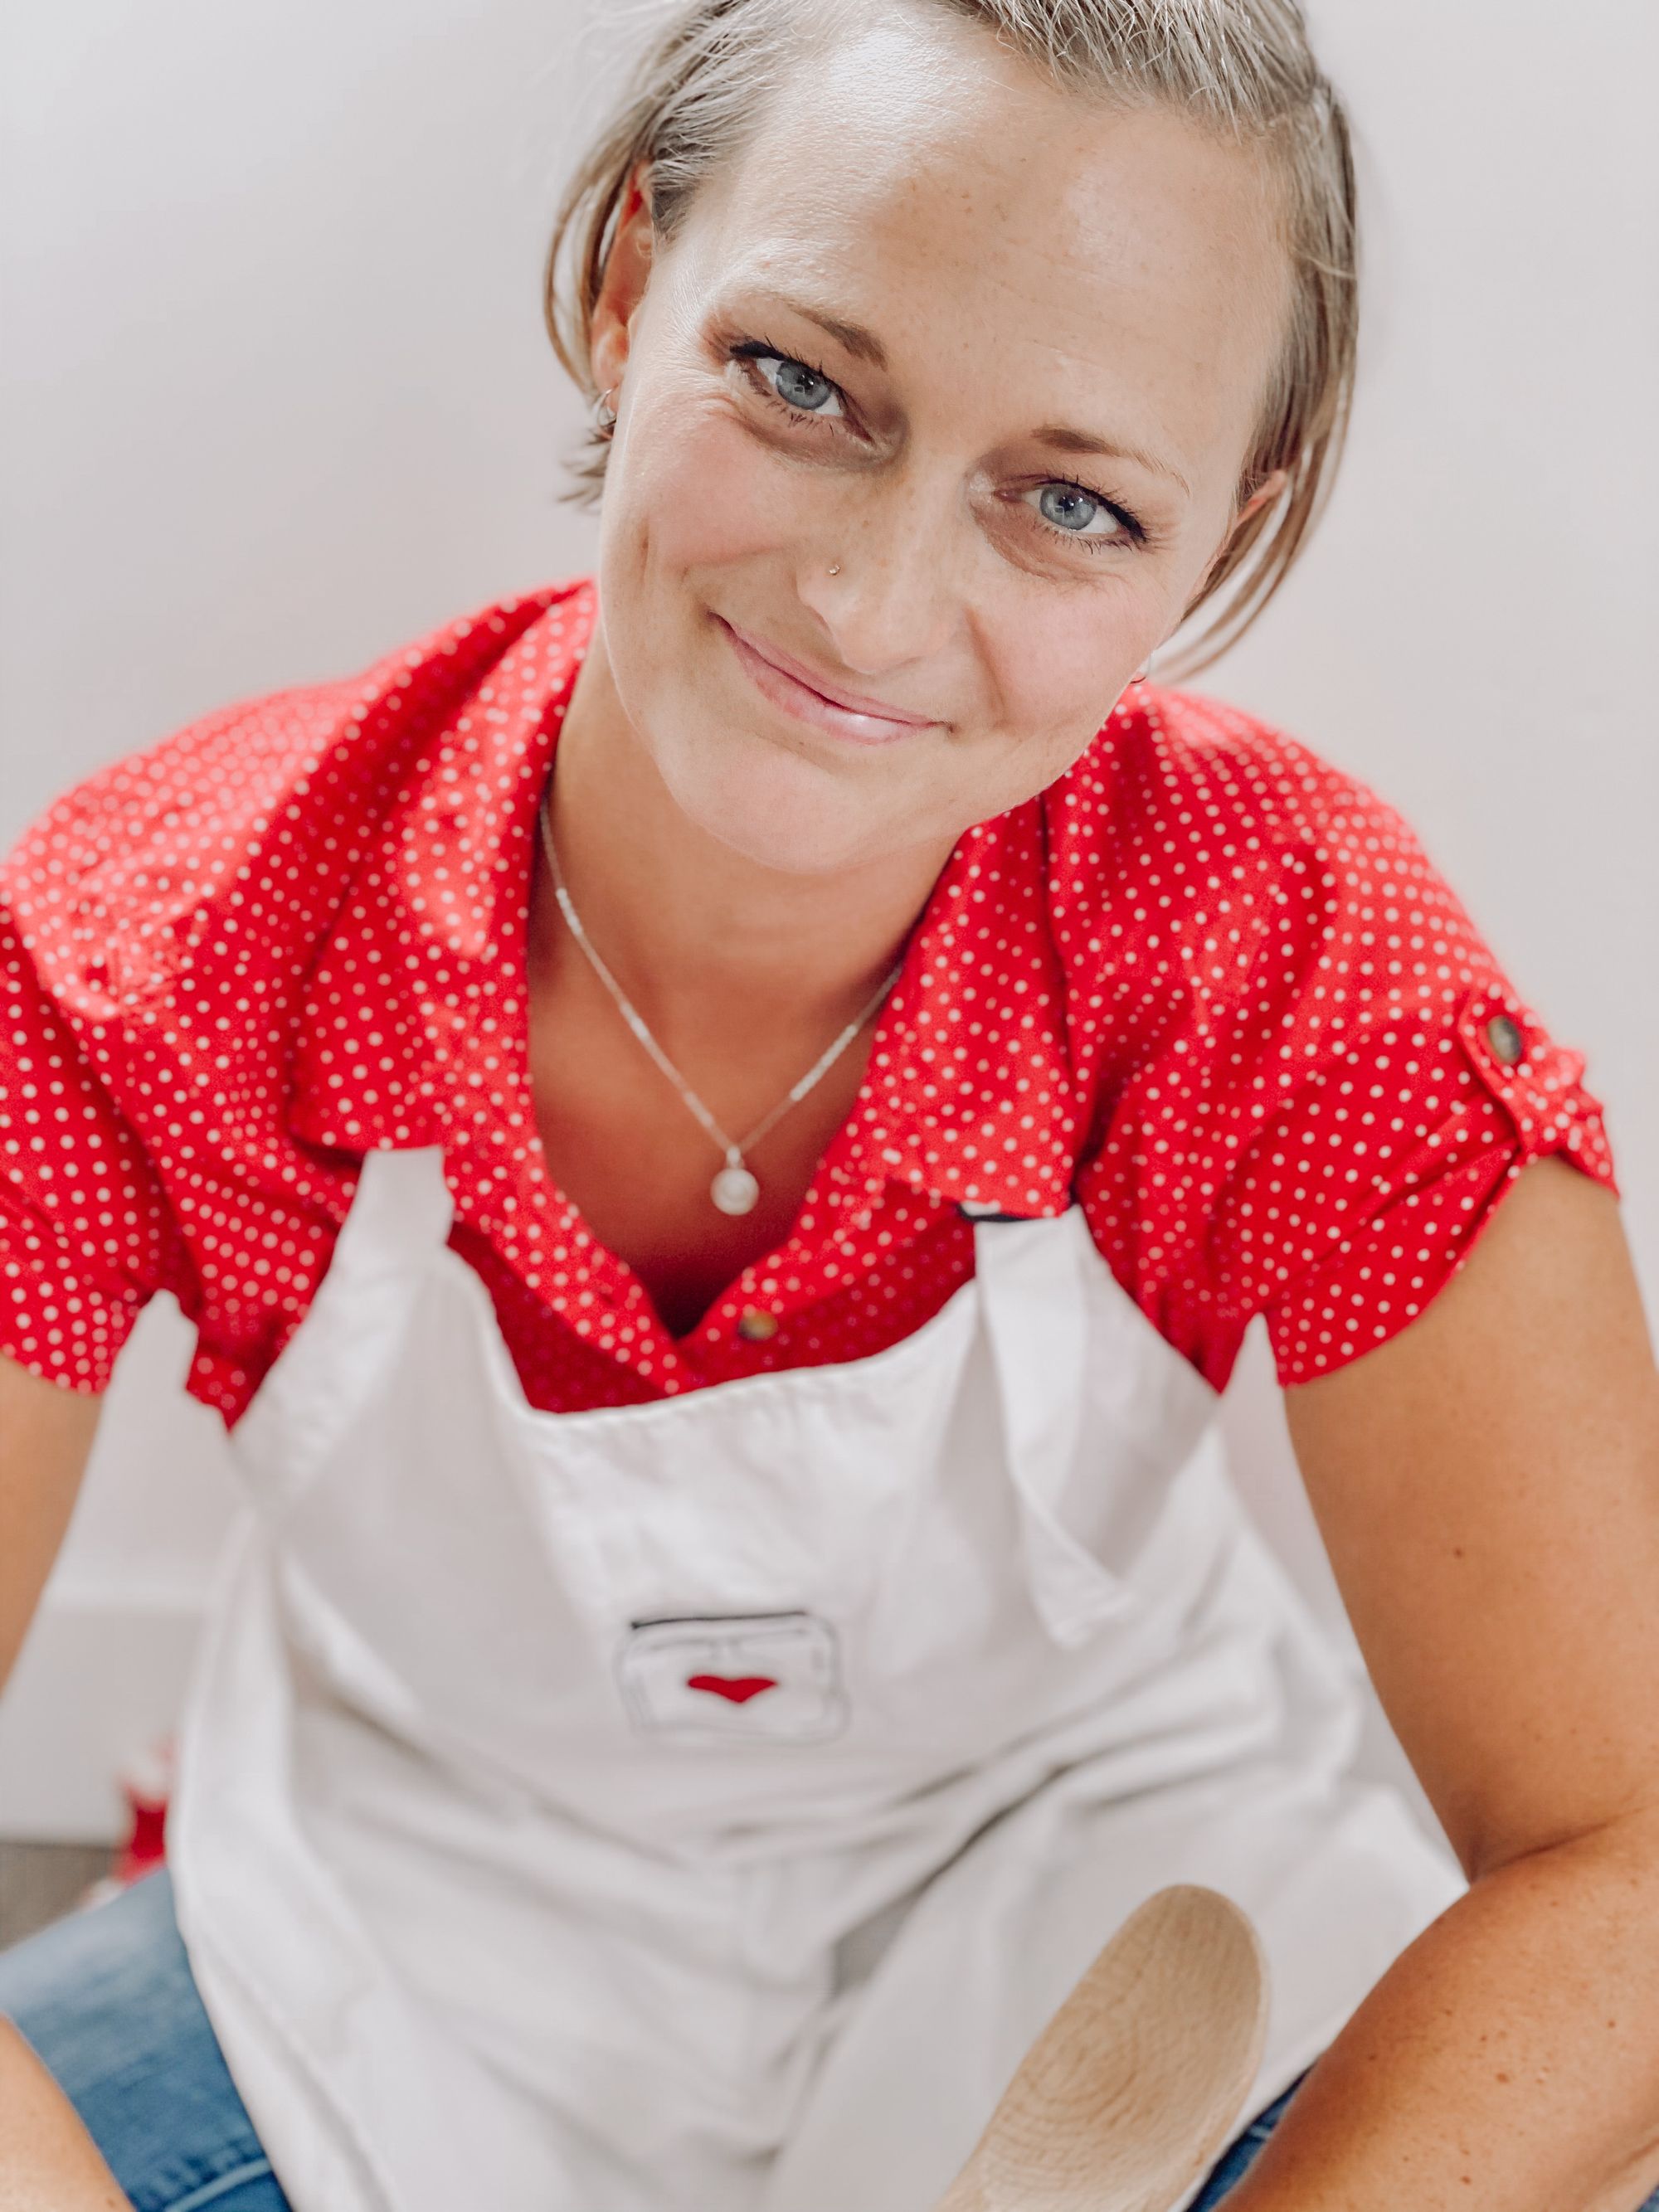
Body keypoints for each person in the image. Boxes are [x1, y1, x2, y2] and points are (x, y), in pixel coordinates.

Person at [2, 0, 1657, 2205]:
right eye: (801, 384)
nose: (871, 608)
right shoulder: (162, 945)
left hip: (1103, 1898)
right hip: (403, 1940)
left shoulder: (1288, 959)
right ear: (630, 283)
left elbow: (1623, 1847)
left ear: (1220, 534)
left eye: (1070, 502)